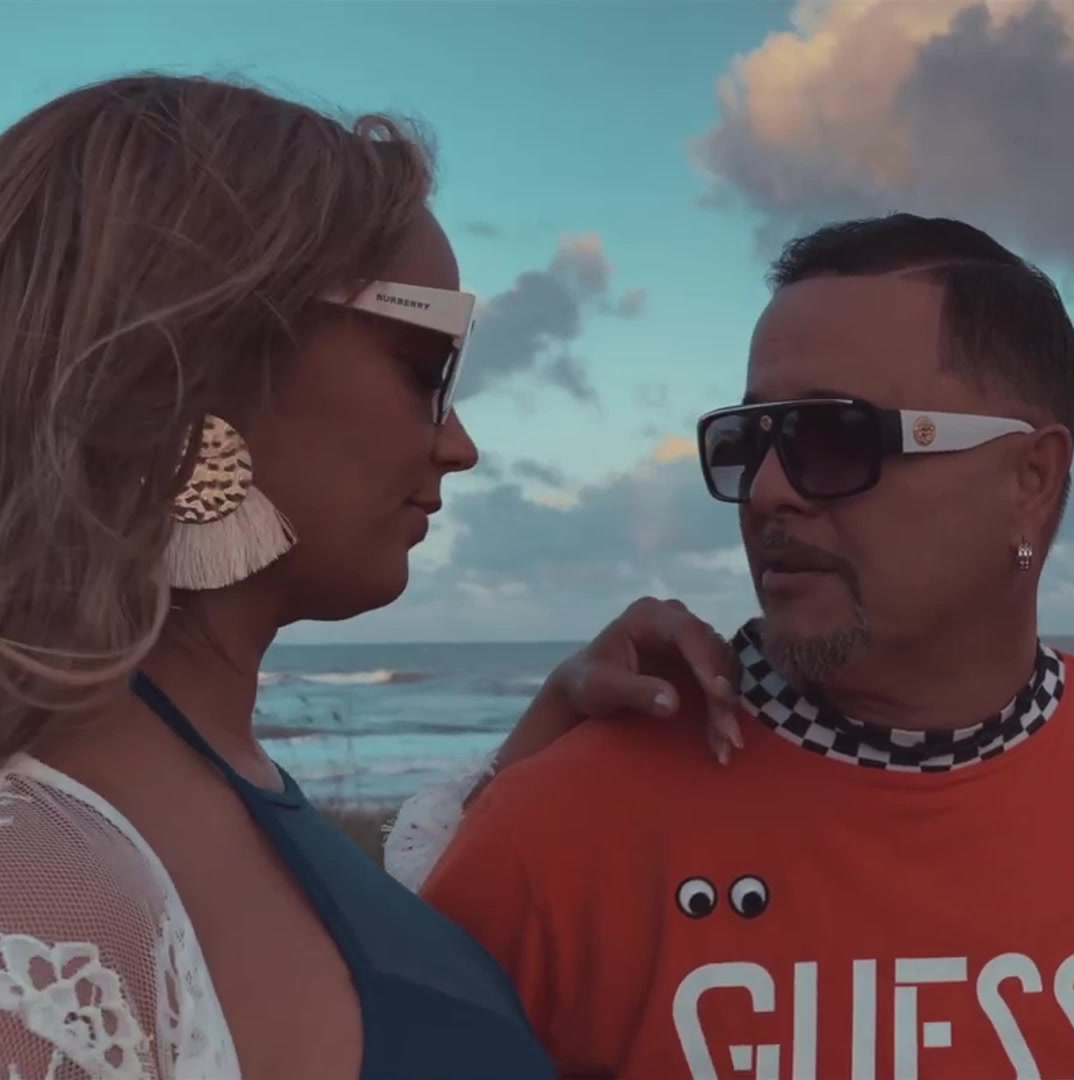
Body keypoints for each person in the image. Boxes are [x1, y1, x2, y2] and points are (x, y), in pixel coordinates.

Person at [420, 215, 1074, 1077]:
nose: (768, 492)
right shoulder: (565, 821)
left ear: (1030, 479)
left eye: (832, 438)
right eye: (750, 441)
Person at [0, 74, 712, 1080]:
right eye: (427, 370)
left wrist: (543, 736)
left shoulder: (186, 776)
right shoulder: (40, 898)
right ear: (197, 360)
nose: (458, 445)